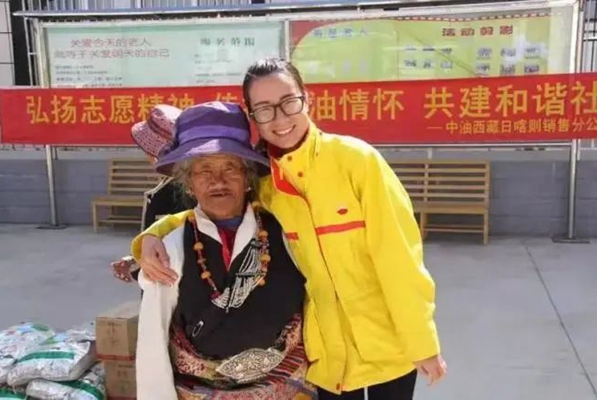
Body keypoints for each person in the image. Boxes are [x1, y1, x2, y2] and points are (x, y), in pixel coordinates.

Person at [132, 58, 446, 400]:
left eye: (288, 102)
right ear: (253, 117)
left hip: (388, 345)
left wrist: (421, 341)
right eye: (264, 109)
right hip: (327, 356)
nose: (280, 119)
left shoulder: (357, 162)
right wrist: (152, 235)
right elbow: (214, 212)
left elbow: (400, 259)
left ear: (306, 99)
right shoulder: (266, 185)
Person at [135, 101, 315, 400]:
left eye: (230, 167)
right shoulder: (170, 248)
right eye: (204, 170)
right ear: (189, 184)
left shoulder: (287, 233)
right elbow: (153, 336)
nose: (218, 181)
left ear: (247, 178)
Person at [111, 104, 196, 282]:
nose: (146, 155)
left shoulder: (175, 193)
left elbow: (168, 253)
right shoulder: (174, 184)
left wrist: (135, 271)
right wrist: (135, 260)